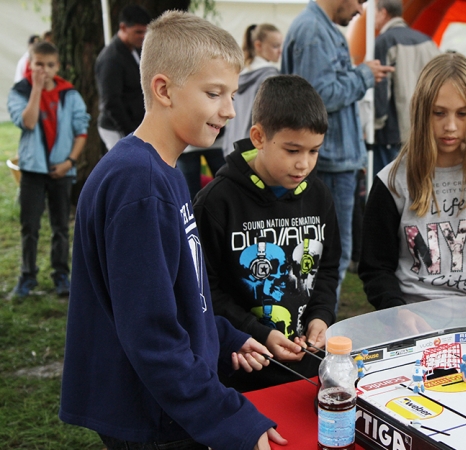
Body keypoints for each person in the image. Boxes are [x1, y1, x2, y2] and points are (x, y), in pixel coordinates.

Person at [59, 12, 287, 449]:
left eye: (232, 94)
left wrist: (224, 337)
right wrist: (229, 419)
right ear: (163, 89)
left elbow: (179, 296)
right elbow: (151, 334)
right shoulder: (140, 186)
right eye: (214, 93)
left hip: (164, 403)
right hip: (152, 414)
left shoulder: (160, 172)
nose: (230, 110)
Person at [193, 75, 340, 392]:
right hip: (241, 368)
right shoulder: (217, 202)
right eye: (292, 149)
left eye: (314, 151)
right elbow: (204, 289)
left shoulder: (319, 196)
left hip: (307, 366)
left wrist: (321, 317)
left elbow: (326, 269)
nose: (303, 164)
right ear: (258, 137)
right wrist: (255, 332)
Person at [359, 53, 466, 322]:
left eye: (462, 114)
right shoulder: (391, 181)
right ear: (422, 111)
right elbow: (376, 268)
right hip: (411, 319)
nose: (450, 126)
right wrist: (396, 311)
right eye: (439, 113)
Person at [282, 0, 393, 303]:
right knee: (328, 258)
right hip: (329, 163)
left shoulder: (317, 28)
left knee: (322, 257)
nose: (361, 10)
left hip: (332, 159)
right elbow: (318, 98)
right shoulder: (315, 31)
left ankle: (316, 329)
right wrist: (364, 76)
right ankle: (320, 332)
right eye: (360, 1)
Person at [7, 41, 89, 298]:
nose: (43, 70)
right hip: (32, 170)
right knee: (29, 226)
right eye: (38, 65)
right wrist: (37, 90)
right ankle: (27, 276)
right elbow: (28, 122)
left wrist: (70, 162)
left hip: (61, 170)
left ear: (58, 66)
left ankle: (61, 275)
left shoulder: (70, 94)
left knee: (60, 226)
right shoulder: (20, 91)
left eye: (49, 65)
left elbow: (81, 132)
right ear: (30, 65)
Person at [373, 0, 440, 176]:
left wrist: (375, 124)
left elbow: (381, 90)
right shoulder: (427, 40)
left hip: (393, 134)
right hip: (423, 130)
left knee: (391, 191)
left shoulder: (383, 42)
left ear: (383, 12)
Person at [95, 5, 151, 151]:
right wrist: (130, 133)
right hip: (118, 129)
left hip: (136, 126)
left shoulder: (136, 50)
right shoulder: (111, 58)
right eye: (138, 32)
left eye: (145, 32)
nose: (142, 36)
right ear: (123, 28)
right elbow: (111, 102)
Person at [223, 23, 282, 157]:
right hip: (254, 148)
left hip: (232, 146)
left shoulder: (238, 73)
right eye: (275, 46)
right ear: (258, 45)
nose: (280, 51)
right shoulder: (270, 76)